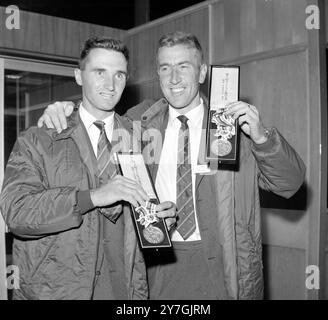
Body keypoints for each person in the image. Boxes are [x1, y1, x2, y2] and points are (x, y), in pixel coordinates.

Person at [37, 31, 306, 300]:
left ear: (201, 73)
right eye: (165, 68)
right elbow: (97, 113)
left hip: (227, 268)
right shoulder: (138, 123)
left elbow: (289, 184)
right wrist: (65, 109)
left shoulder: (234, 127)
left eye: (183, 67)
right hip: (158, 265)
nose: (174, 79)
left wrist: (261, 137)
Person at [0, 37, 176, 300]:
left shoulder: (141, 140)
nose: (110, 84)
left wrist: (165, 216)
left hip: (124, 290)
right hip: (56, 292)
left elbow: (149, 214)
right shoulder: (38, 139)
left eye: (119, 75)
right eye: (99, 72)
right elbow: (17, 213)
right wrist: (92, 196)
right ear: (78, 76)